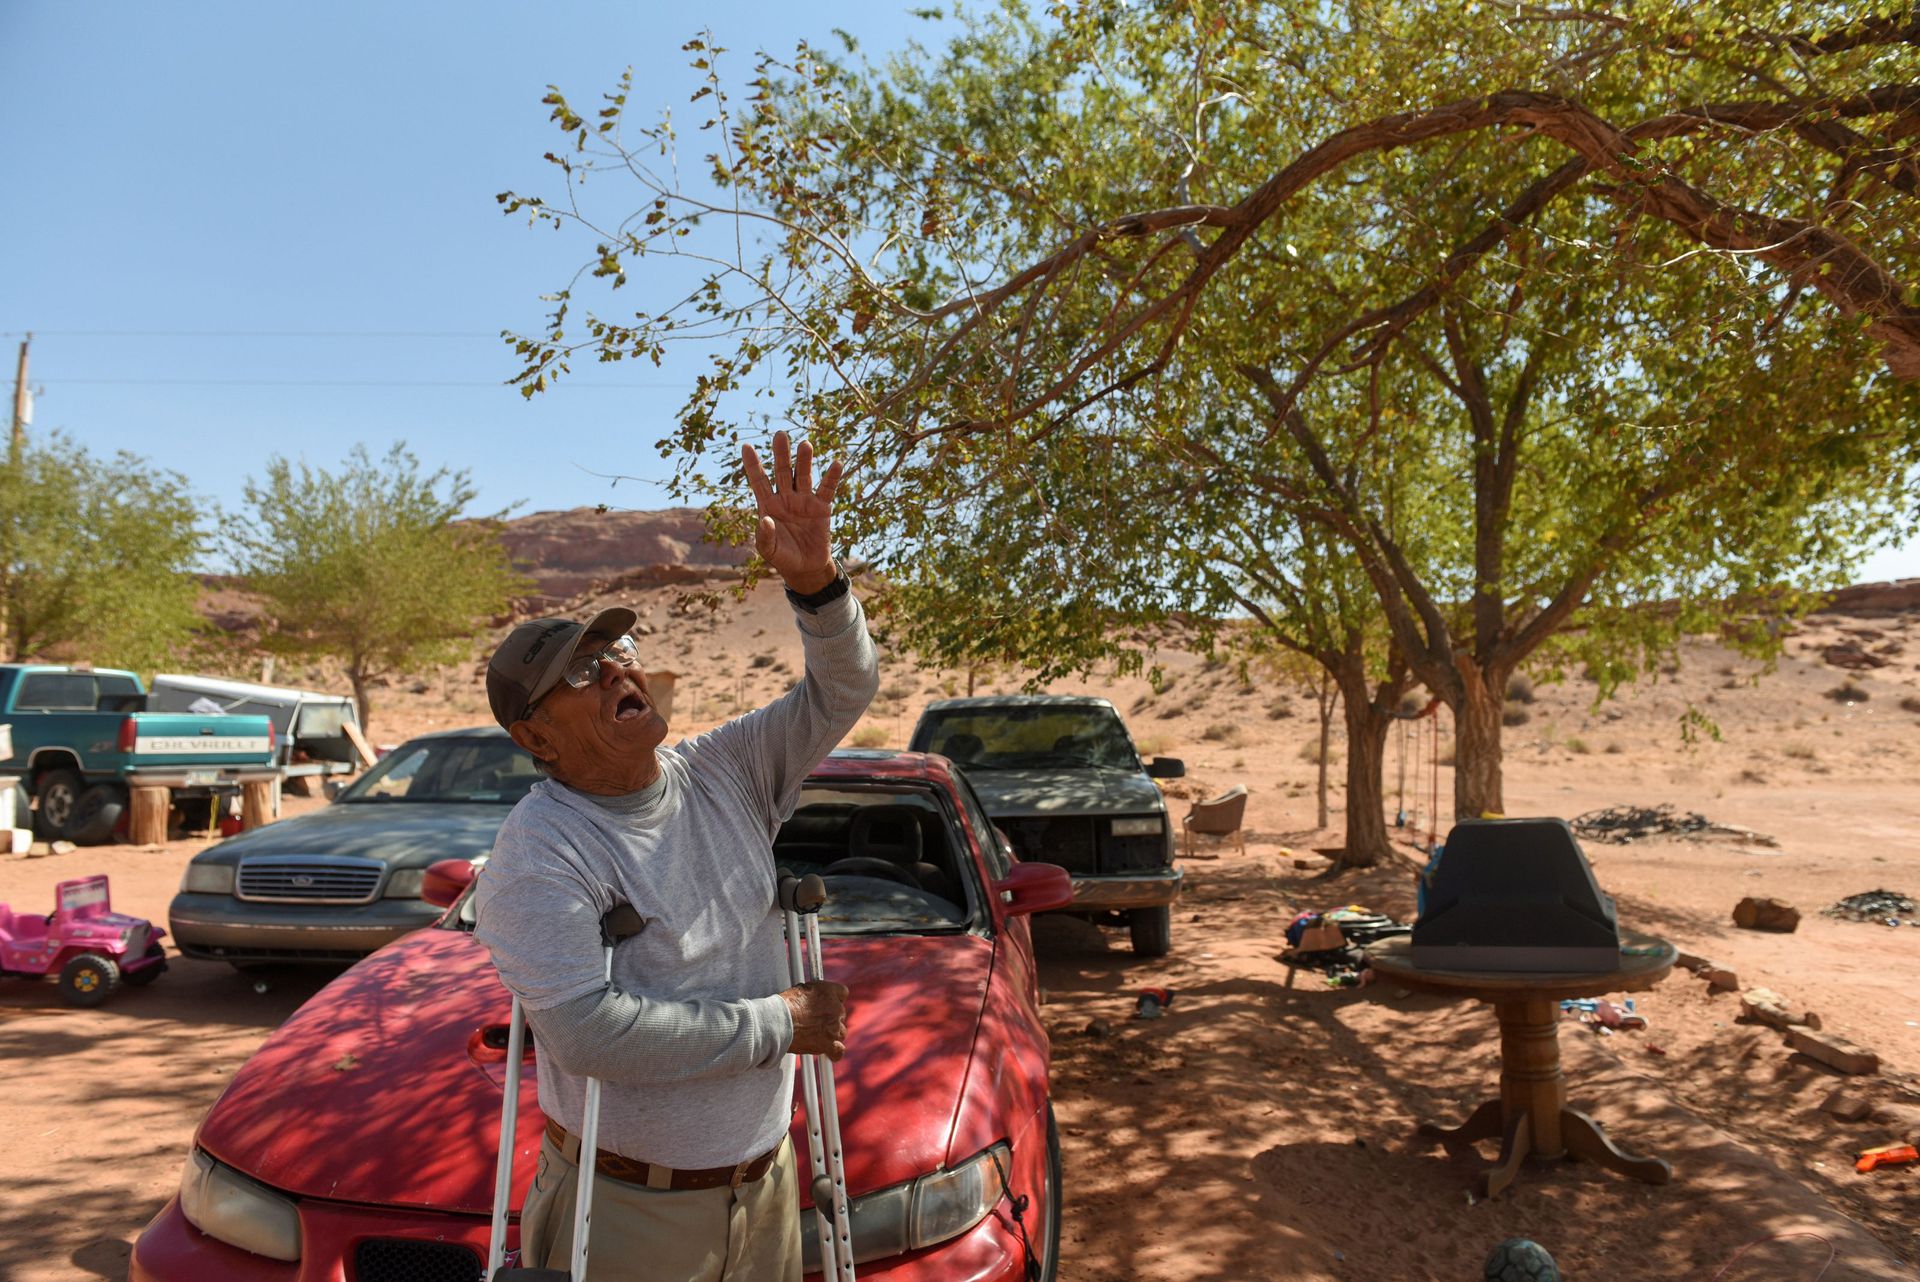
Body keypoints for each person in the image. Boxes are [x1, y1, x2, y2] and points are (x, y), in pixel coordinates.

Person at [472, 431, 878, 1281]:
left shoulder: (726, 768)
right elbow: (587, 1033)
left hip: (765, 1185)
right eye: (582, 672)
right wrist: (780, 1024)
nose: (618, 670)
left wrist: (816, 587)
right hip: (625, 1213)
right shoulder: (541, 850)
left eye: (618, 653)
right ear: (535, 737)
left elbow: (844, 690)